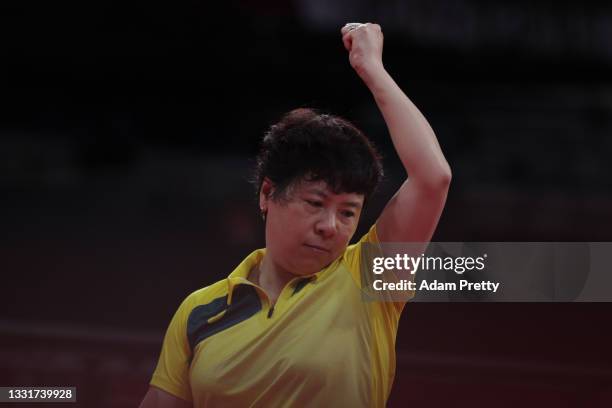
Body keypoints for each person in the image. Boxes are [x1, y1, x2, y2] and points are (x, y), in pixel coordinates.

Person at [140, 22, 451, 408]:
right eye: (316, 203)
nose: (329, 226)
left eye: (348, 212)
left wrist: (372, 69)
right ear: (268, 194)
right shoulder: (201, 310)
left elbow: (433, 178)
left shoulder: (369, 279)